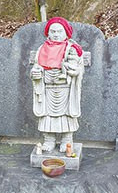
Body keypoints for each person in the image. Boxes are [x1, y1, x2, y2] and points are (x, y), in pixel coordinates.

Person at [30, 17, 84, 153]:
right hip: (47, 88)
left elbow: (76, 67)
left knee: (66, 115)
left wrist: (72, 69)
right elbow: (37, 66)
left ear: (66, 33)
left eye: (59, 31)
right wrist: (35, 74)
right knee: (47, 115)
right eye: (52, 31)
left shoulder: (71, 49)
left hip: (65, 89)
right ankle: (49, 140)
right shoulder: (42, 49)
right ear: (48, 33)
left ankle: (67, 140)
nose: (56, 34)